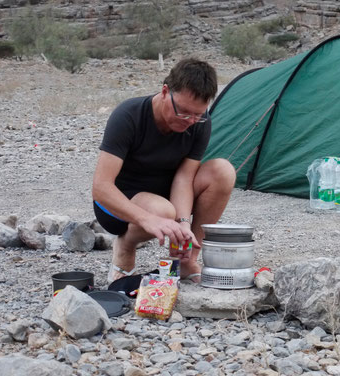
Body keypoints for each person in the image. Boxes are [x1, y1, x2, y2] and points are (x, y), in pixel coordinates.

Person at [92, 58, 236, 283]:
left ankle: (187, 260)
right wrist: (148, 219)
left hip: (165, 198)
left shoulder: (200, 122)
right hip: (119, 204)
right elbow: (101, 188)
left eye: (197, 115)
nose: (190, 121)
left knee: (223, 172)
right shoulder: (129, 115)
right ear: (165, 91)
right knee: (163, 211)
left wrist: (183, 226)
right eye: (184, 112)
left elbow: (184, 177)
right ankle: (126, 244)